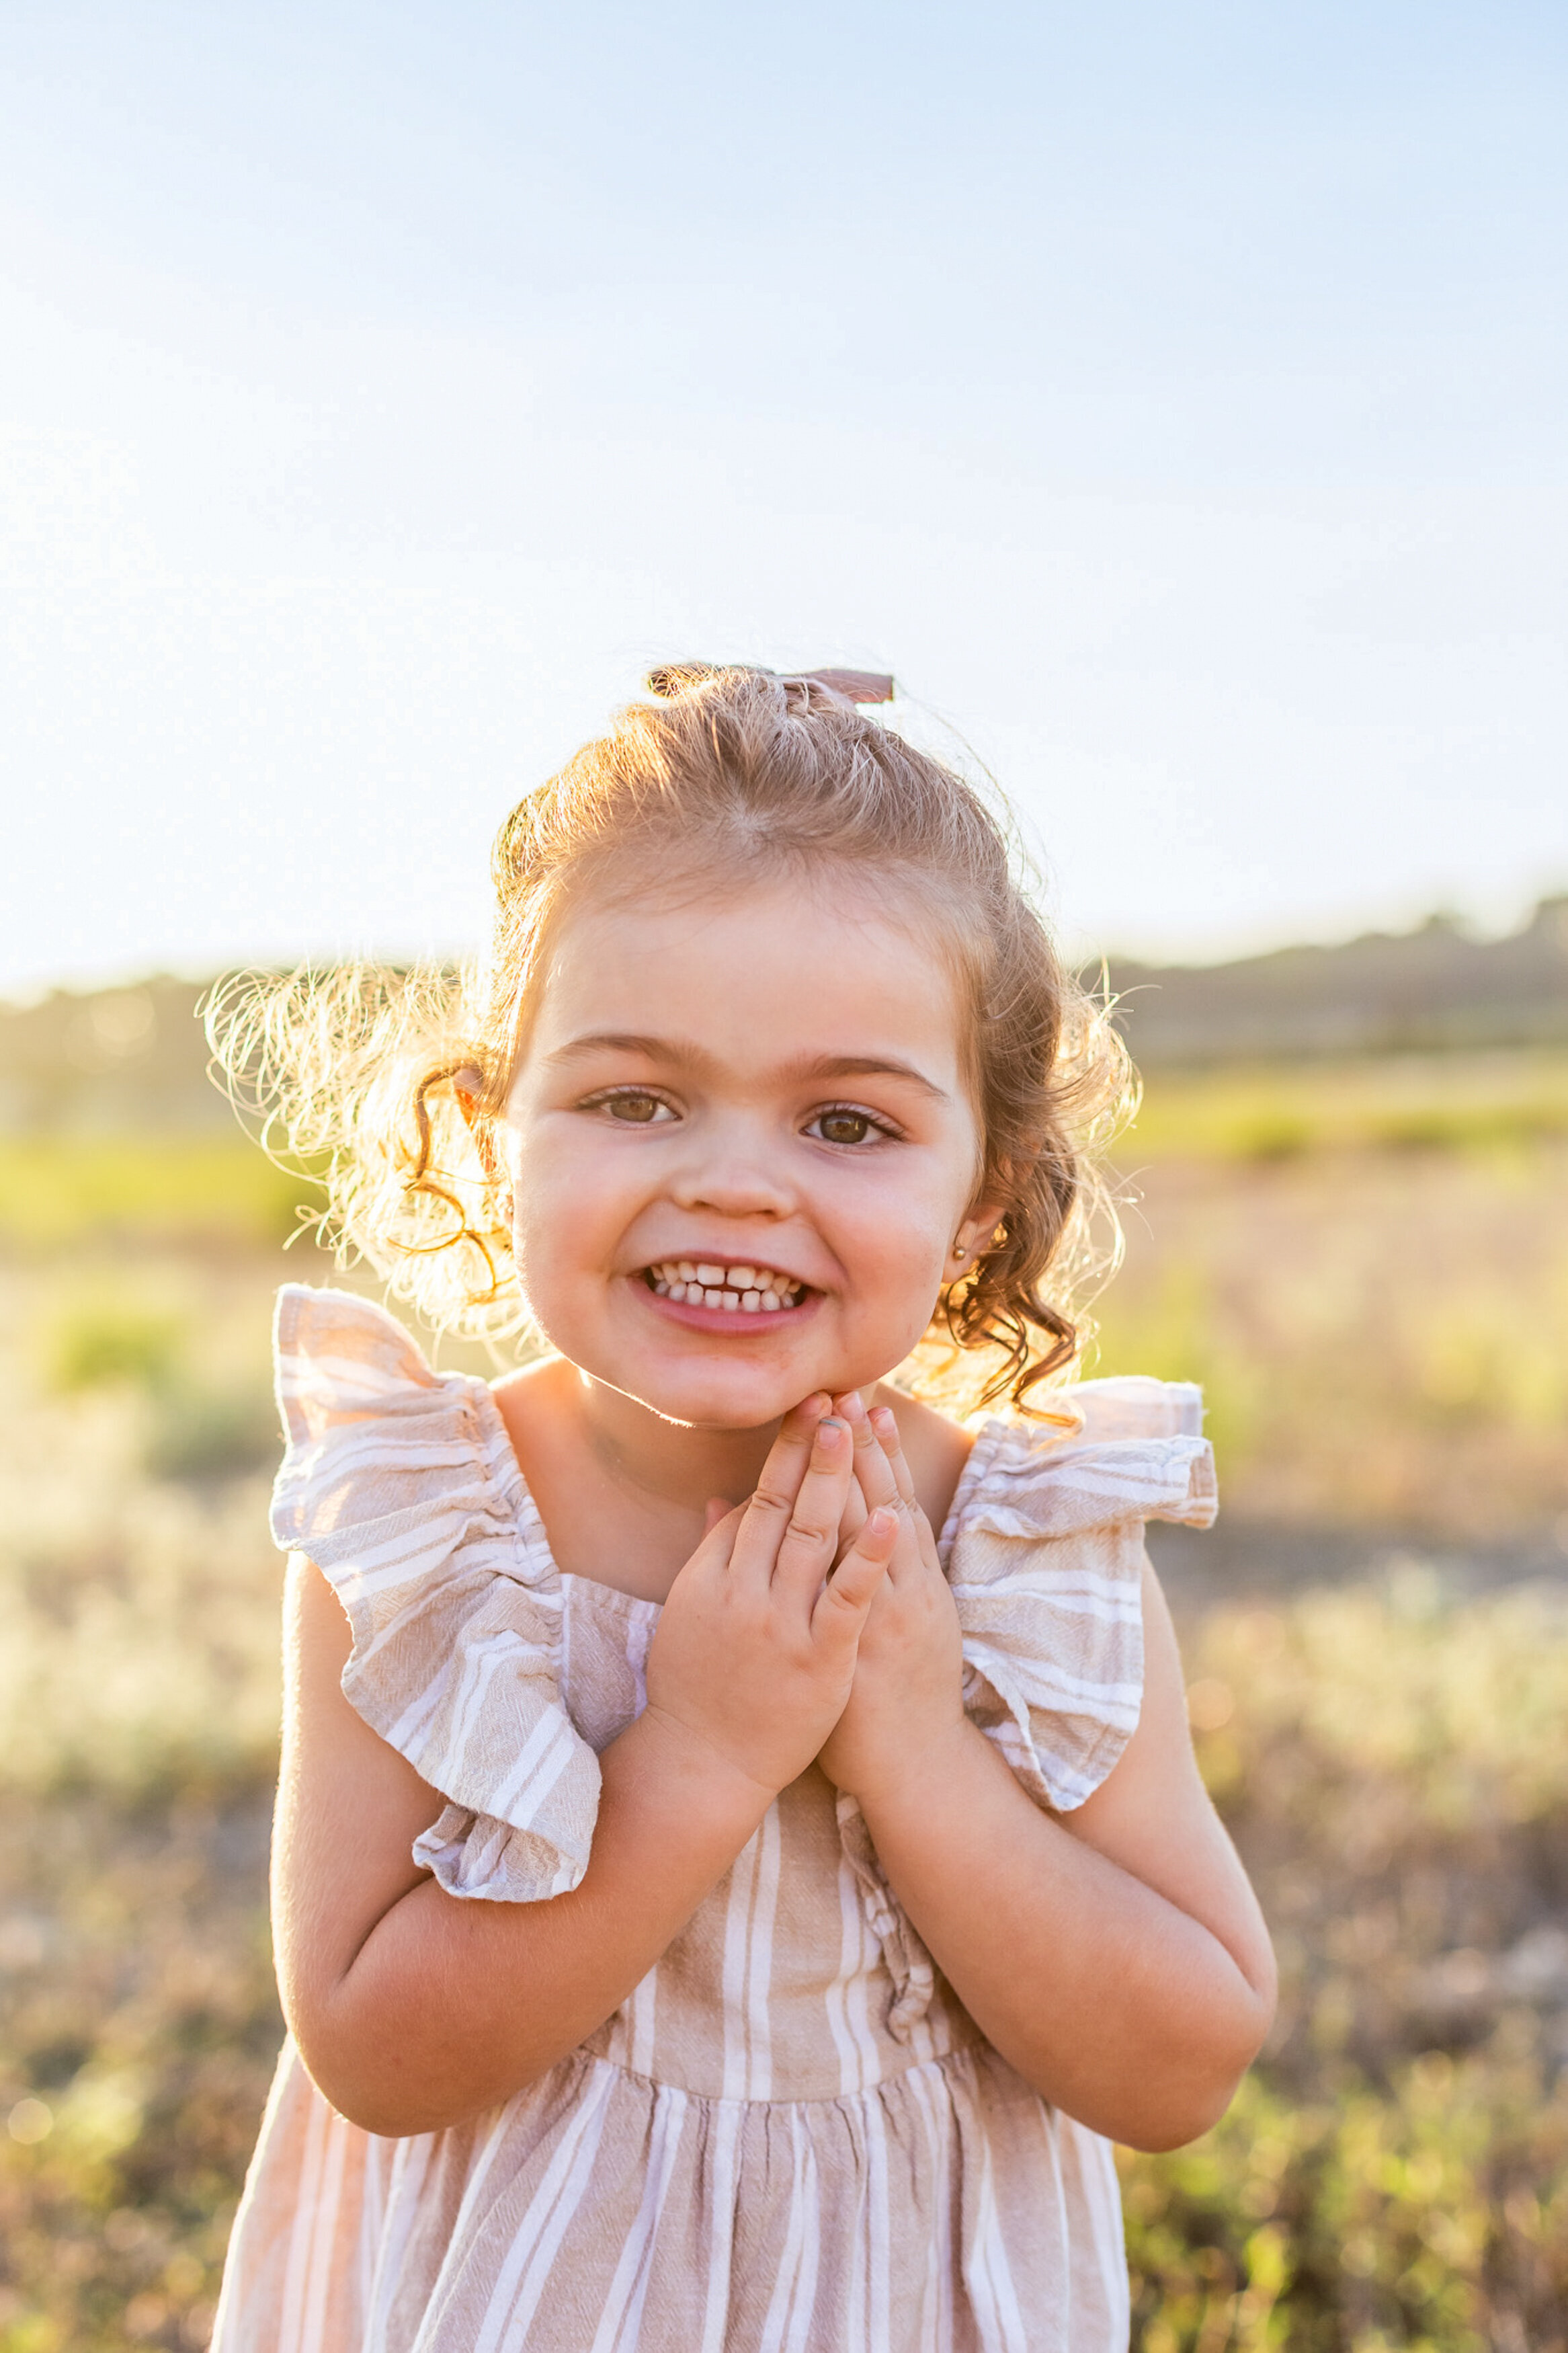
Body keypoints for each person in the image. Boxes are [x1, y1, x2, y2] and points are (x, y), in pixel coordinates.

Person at [209, 664, 1276, 2353]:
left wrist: (916, 1747)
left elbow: (1184, 2058)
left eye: (847, 1120)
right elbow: (375, 2052)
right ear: (492, 1134)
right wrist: (697, 1757)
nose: (733, 1178)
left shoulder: (1014, 1547)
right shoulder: (425, 1533)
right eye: (635, 1096)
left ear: (983, 1198)